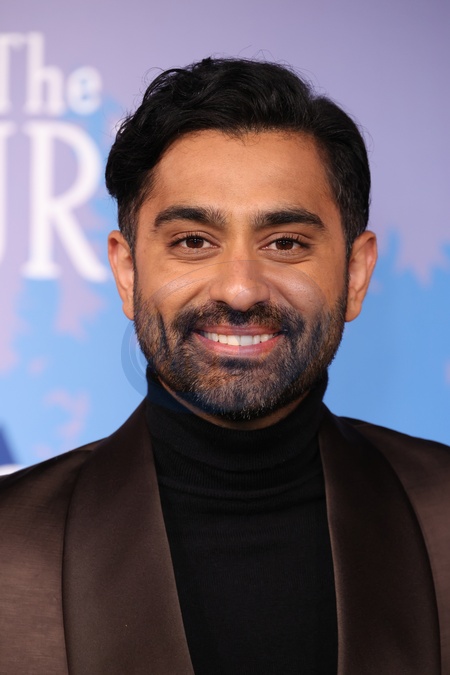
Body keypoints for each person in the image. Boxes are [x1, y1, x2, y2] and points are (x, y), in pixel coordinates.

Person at [0, 57, 449, 675]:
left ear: (355, 273)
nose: (240, 290)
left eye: (285, 243)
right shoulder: (10, 543)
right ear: (128, 273)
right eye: (193, 242)